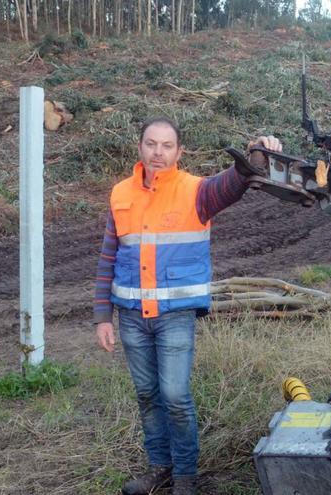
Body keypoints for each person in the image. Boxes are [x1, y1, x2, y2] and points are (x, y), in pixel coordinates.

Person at [93, 117, 281, 495]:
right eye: (151, 144)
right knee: (147, 396)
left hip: (175, 317)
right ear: (140, 147)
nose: (158, 153)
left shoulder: (197, 192)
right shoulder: (120, 194)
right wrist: (102, 316)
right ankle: (159, 469)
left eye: (166, 146)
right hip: (131, 317)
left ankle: (185, 478)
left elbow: (232, 183)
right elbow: (107, 258)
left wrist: (256, 156)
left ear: (179, 152)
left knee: (175, 397)